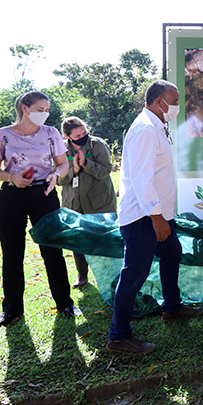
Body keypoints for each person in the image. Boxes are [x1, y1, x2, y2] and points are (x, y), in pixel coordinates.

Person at [107, 79, 203, 355]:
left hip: (157, 214)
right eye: (174, 102)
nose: (177, 107)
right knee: (134, 275)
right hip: (144, 218)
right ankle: (118, 336)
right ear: (158, 101)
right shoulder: (146, 130)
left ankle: (171, 308)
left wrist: (163, 216)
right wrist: (157, 218)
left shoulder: (157, 127)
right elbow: (141, 180)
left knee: (172, 253)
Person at [0, 90, 80, 327]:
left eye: (47, 110)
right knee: (12, 254)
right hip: (11, 196)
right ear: (25, 108)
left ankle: (65, 302)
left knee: (52, 250)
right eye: (40, 109)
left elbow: (62, 165)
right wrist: (11, 177)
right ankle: (11, 310)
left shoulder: (51, 133)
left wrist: (56, 176)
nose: (45, 114)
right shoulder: (2, 135)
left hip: (44, 194)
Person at [57, 116, 117, 287]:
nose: (83, 136)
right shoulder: (61, 149)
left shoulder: (97, 145)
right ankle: (82, 276)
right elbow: (59, 180)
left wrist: (86, 164)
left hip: (100, 202)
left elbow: (106, 170)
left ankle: (109, 276)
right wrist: (73, 170)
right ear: (67, 136)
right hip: (74, 203)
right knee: (78, 240)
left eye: (84, 132)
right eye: (77, 135)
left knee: (103, 240)